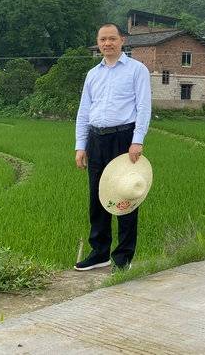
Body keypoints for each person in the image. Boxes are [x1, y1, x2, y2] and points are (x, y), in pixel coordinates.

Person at [73, 23, 151, 271]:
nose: (107, 43)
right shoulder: (92, 74)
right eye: (103, 39)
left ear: (122, 41)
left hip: (124, 139)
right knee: (98, 196)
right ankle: (100, 252)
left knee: (126, 195)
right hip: (96, 139)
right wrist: (80, 145)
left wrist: (137, 140)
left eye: (112, 39)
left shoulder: (137, 70)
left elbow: (144, 107)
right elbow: (84, 111)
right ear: (98, 43)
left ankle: (123, 257)